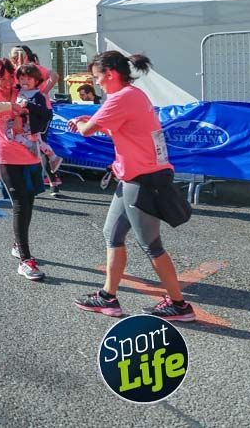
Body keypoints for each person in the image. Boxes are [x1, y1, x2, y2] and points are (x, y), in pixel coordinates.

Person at [70, 52, 195, 320]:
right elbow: (119, 128)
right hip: (133, 178)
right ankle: (108, 297)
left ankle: (180, 304)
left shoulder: (121, 97)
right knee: (111, 234)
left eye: (97, 77)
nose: (97, 83)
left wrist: (82, 122)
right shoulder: (133, 95)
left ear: (111, 74)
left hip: (142, 180)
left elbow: (87, 130)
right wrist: (89, 122)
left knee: (151, 245)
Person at [0, 59, 46, 281]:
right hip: (5, 156)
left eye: (10, 78)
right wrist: (10, 106)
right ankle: (26, 260)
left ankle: (18, 243)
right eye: (1, 78)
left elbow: (47, 76)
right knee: (20, 203)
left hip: (31, 155)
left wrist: (23, 62)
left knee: (30, 200)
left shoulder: (22, 89)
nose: (7, 83)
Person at [10, 45, 62, 194]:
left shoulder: (33, 68)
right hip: (23, 114)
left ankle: (52, 178)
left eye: (18, 56)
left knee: (38, 142)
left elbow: (55, 75)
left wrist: (43, 92)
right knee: (30, 144)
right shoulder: (15, 71)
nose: (15, 59)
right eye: (13, 56)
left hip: (38, 112)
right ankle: (46, 178)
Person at [14, 65, 63, 173]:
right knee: (19, 139)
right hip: (22, 125)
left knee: (37, 142)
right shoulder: (17, 91)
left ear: (36, 81)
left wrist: (29, 105)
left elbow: (43, 112)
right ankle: (49, 157)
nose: (25, 81)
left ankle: (52, 157)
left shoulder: (38, 95)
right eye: (22, 79)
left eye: (29, 79)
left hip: (33, 126)